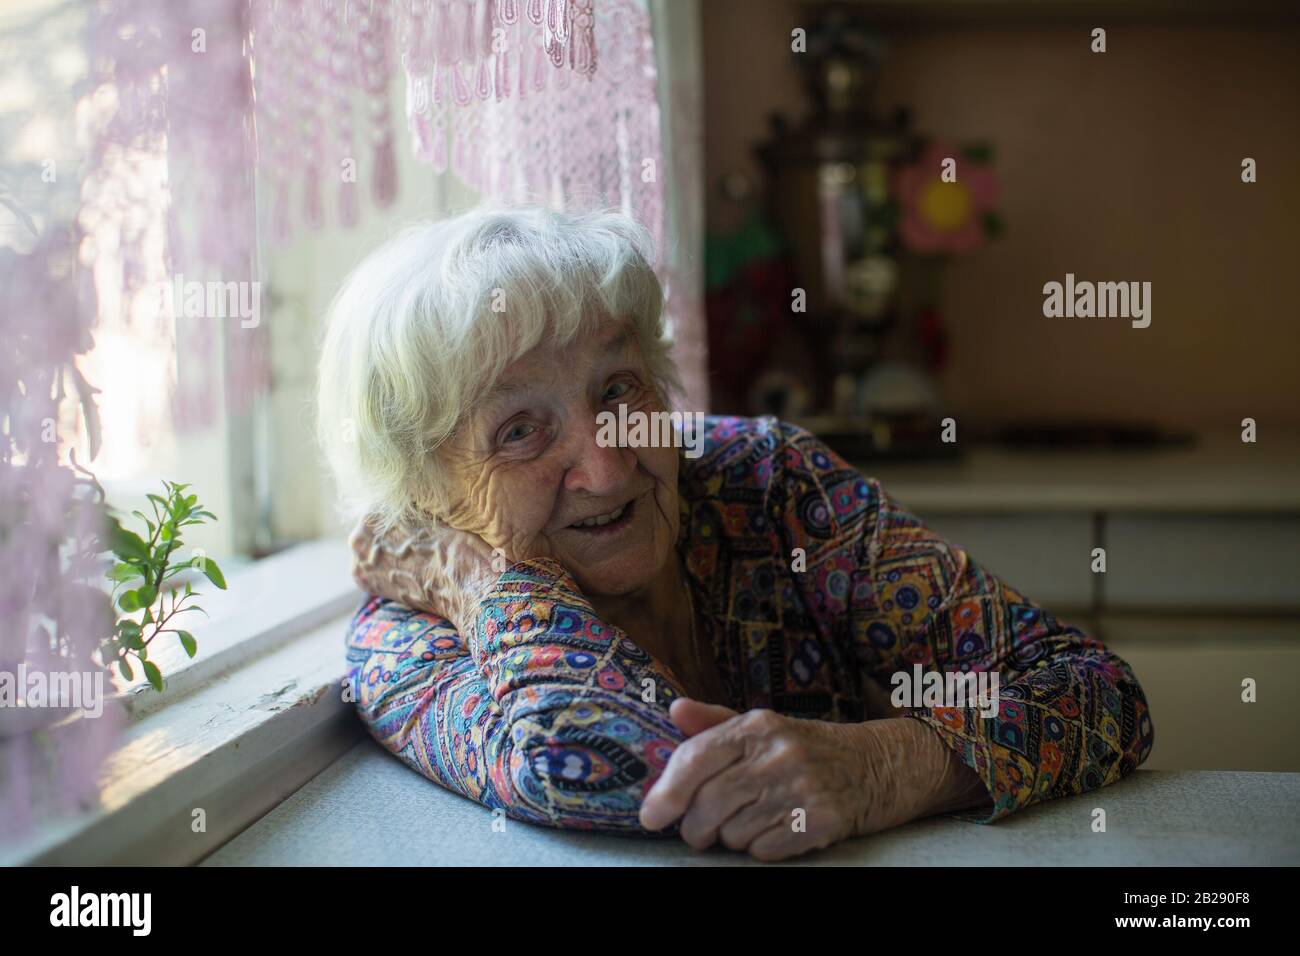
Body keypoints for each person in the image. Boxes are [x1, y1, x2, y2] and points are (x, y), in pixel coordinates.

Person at [318, 205, 1154, 862]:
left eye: (618, 389)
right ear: (425, 490)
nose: (608, 468)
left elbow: (1095, 694)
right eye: (519, 432)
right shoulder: (411, 635)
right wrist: (479, 582)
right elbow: (609, 773)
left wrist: (877, 768)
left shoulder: (765, 483)